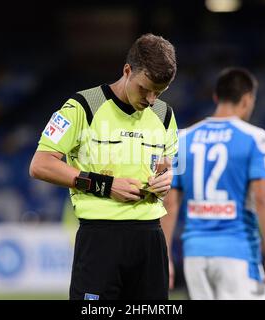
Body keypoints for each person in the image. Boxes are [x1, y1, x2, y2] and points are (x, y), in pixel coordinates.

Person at [29, 33, 178, 300]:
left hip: (150, 239)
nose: (151, 99)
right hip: (100, 238)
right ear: (127, 71)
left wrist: (166, 178)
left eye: (160, 91)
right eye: (145, 88)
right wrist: (106, 185)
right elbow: (41, 165)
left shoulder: (164, 114)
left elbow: (167, 166)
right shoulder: (83, 106)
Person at [163, 67, 265, 300]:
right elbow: (263, 197)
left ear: (216, 97)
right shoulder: (254, 137)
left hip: (194, 254)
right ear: (247, 100)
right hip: (237, 251)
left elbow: (170, 202)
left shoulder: (183, 138)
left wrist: (164, 256)